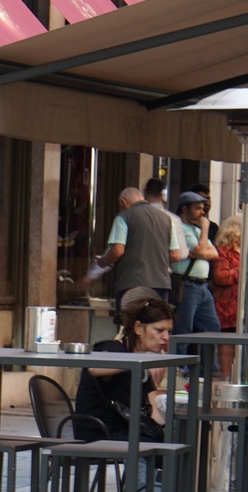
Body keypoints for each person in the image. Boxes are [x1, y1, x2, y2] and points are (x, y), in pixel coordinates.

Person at [75, 298, 174, 444]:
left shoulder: (141, 362)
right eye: (159, 330)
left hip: (124, 432)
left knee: (174, 441)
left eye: (169, 332)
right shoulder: (113, 348)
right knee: (164, 449)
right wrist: (145, 362)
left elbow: (153, 412)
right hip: (99, 435)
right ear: (138, 328)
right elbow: (94, 368)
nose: (166, 337)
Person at [97, 179, 180, 315]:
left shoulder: (123, 217)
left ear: (123, 202)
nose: (120, 208)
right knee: (155, 322)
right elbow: (175, 255)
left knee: (130, 322)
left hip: (131, 284)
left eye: (120, 206)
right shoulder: (166, 219)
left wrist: (104, 261)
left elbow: (117, 251)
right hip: (161, 284)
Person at [173, 190, 221, 340]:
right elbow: (201, 251)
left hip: (202, 286)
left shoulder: (196, 230)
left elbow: (214, 253)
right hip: (188, 284)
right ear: (185, 209)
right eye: (198, 208)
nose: (202, 212)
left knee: (212, 328)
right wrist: (205, 229)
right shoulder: (181, 229)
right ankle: (179, 356)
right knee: (183, 329)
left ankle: (207, 355)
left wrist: (201, 250)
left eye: (202, 208)